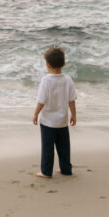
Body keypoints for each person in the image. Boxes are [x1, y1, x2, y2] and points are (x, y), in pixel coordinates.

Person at [32, 45, 78, 179]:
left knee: (47, 147)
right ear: (64, 63)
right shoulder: (67, 79)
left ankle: (46, 171)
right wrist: (73, 115)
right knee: (64, 146)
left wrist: (35, 114)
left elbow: (41, 100)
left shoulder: (46, 80)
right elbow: (72, 100)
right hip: (62, 121)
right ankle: (66, 169)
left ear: (47, 64)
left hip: (47, 121)